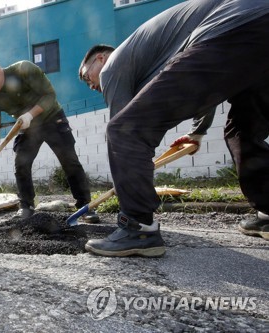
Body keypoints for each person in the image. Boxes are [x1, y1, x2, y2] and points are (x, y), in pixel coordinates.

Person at [78, 0, 269, 257]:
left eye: (86, 76)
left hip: (234, 27)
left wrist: (127, 185)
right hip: (255, 23)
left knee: (124, 129)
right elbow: (205, 83)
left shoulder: (112, 68)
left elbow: (127, 130)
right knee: (242, 131)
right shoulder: (153, 53)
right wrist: (198, 133)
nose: (91, 85)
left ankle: (138, 227)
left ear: (99, 59)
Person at [0, 56, 99, 222]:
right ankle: (26, 206)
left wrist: (30, 114)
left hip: (52, 118)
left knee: (70, 161)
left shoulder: (23, 69)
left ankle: (85, 206)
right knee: (21, 164)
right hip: (27, 127)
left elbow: (49, 95)